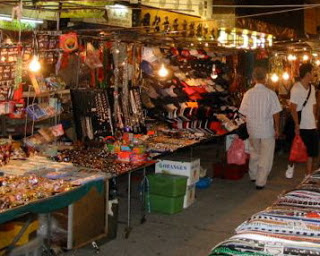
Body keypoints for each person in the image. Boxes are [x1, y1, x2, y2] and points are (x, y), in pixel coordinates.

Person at [239, 66, 282, 189]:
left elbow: (243, 111)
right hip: (267, 129)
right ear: (266, 78)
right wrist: (277, 128)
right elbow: (276, 113)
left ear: (253, 78)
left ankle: (253, 175)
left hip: (252, 128)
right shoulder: (270, 93)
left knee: (254, 152)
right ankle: (260, 181)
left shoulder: (248, 94)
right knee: (266, 156)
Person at [285, 63, 319, 179]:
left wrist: (315, 119)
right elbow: (293, 108)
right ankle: (291, 165)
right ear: (308, 73)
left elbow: (314, 105)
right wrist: (296, 124)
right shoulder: (296, 88)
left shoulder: (312, 87)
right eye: (313, 72)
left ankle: (307, 175)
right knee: (296, 149)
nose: (314, 74)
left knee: (311, 152)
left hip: (311, 124)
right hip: (301, 124)